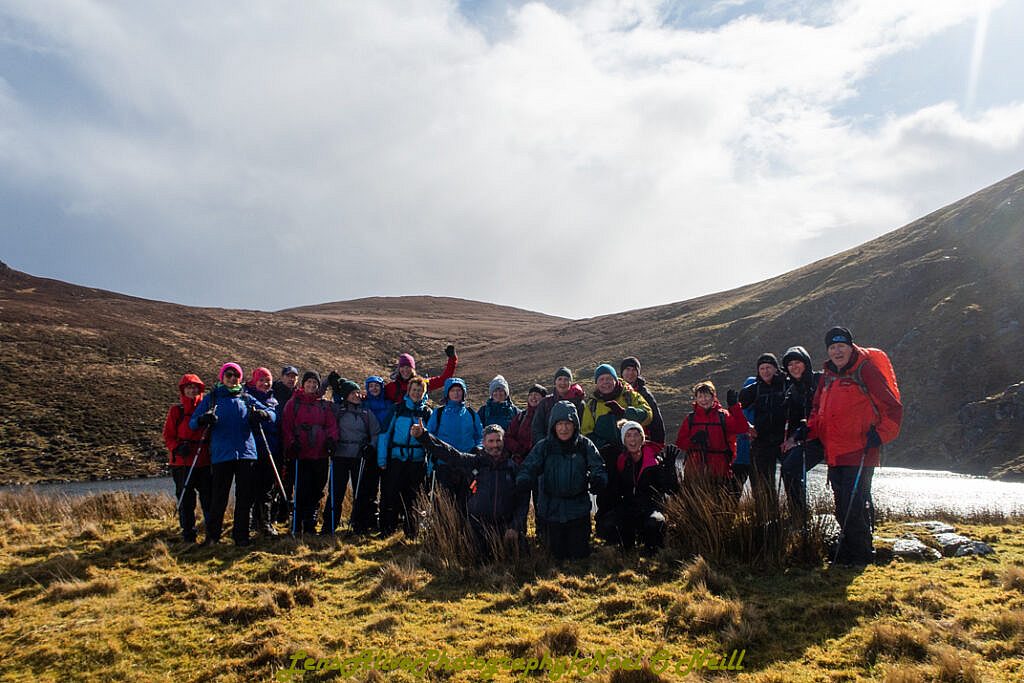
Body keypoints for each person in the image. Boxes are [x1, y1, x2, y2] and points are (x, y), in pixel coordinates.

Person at [808, 327, 902, 566]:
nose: (837, 351)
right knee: (842, 505)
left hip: (860, 450)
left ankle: (860, 556)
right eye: (832, 347)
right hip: (835, 452)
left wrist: (880, 435)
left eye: (841, 346)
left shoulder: (865, 370)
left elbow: (891, 407)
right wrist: (806, 429)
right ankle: (850, 551)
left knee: (854, 503)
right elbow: (818, 410)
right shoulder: (827, 376)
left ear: (851, 347)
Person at [412, 421, 528, 560]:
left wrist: (515, 527)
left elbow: (523, 501)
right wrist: (424, 437)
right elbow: (449, 453)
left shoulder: (513, 468)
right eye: (491, 441)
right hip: (477, 528)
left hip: (505, 528)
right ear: (483, 443)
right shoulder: (475, 462)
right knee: (476, 564)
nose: (495, 445)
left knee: (514, 562)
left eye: (498, 441)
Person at [190, 363, 273, 547]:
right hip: (222, 455)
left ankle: (241, 537)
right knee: (219, 497)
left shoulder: (246, 397)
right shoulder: (212, 398)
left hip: (246, 454)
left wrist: (263, 414)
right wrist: (204, 419)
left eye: (236, 375)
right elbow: (193, 423)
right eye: (229, 375)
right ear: (222, 377)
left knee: (244, 498)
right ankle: (213, 537)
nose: (233, 378)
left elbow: (272, 414)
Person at [516, 400, 607, 561]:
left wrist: (598, 479)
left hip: (578, 510)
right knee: (555, 556)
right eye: (560, 424)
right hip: (551, 510)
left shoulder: (584, 445)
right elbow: (528, 466)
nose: (564, 428)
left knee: (579, 556)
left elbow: (597, 466)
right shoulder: (544, 446)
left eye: (568, 424)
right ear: (553, 425)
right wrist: (524, 479)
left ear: (575, 425)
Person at [581, 363, 651, 540]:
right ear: (597, 383)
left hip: (632, 455)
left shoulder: (629, 395)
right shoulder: (592, 404)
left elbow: (647, 414)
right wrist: (602, 446)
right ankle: (608, 534)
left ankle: (637, 533)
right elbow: (586, 432)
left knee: (632, 493)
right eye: (601, 379)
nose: (605, 382)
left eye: (608, 378)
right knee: (607, 495)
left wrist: (625, 412)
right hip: (606, 457)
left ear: (615, 379)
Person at [601, 421, 682, 554]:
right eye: (628, 435)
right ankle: (625, 549)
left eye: (636, 435)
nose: (633, 439)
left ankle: (653, 552)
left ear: (642, 438)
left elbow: (672, 490)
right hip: (629, 507)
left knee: (654, 523)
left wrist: (670, 469)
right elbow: (615, 490)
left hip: (651, 507)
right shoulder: (621, 460)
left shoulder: (655, 460)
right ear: (624, 440)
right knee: (608, 523)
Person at [281, 371, 339, 535]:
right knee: (301, 488)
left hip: (320, 454)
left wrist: (331, 440)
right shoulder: (293, 404)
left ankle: (310, 522)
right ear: (303, 384)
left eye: (315, 383)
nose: (312, 385)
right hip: (300, 454)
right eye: (309, 382)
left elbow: (331, 426)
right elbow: (287, 426)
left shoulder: (324, 405)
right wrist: (291, 444)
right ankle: (297, 521)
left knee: (317, 488)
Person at [322, 377, 381, 535]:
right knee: (336, 492)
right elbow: (328, 426)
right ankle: (329, 526)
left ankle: (358, 525)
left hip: (359, 456)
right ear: (345, 395)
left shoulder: (366, 412)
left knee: (359, 493)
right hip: (340, 455)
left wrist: (371, 446)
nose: (356, 395)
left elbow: (375, 433)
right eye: (352, 393)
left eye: (357, 392)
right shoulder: (337, 410)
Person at [377, 376, 433, 538]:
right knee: (391, 495)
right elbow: (384, 435)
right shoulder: (397, 409)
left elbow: (432, 441)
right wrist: (382, 459)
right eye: (414, 390)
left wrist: (430, 466)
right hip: (396, 460)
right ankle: (387, 530)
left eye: (420, 390)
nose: (417, 393)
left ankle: (411, 532)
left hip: (417, 461)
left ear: (424, 393)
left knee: (414, 498)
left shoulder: (427, 412)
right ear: (408, 391)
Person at [163, 373, 212, 543]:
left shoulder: (207, 409)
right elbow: (168, 436)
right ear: (183, 390)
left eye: (195, 387)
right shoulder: (177, 411)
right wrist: (177, 447)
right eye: (189, 387)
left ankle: (211, 533)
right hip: (182, 462)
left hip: (204, 460)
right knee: (186, 500)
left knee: (208, 498)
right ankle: (188, 534)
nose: (192, 390)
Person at [674, 381, 749, 490]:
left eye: (706, 396)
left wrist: (734, 407)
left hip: (720, 470)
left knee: (718, 504)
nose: (703, 399)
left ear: (713, 397)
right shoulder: (690, 419)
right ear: (696, 399)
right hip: (694, 471)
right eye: (700, 396)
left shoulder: (723, 416)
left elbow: (742, 428)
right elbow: (680, 443)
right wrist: (693, 441)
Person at [779, 346, 825, 519]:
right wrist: (790, 439)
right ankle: (798, 515)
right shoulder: (792, 391)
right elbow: (795, 421)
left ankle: (800, 516)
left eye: (797, 362)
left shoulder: (820, 380)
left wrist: (796, 436)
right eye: (790, 364)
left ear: (806, 363)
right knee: (789, 469)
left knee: (791, 469)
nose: (794, 367)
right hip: (809, 437)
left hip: (826, 436)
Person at [426, 378, 482, 510]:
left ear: (464, 393)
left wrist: (478, 448)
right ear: (447, 393)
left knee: (466, 502)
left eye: (459, 390)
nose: (456, 393)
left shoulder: (471, 414)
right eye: (453, 390)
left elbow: (480, 435)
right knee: (443, 503)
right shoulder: (438, 413)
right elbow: (429, 436)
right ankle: (445, 527)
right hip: (443, 465)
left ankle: (464, 528)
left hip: (466, 464)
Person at [737, 353, 788, 497]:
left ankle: (796, 514)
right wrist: (748, 426)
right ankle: (766, 516)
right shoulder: (753, 389)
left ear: (776, 369)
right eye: (762, 368)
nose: (765, 371)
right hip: (762, 441)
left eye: (769, 367)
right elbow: (737, 411)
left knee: (792, 478)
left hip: (784, 440)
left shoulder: (786, 384)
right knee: (762, 485)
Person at [245, 367, 283, 537]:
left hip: (270, 448)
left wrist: (266, 415)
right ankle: (249, 523)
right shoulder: (245, 397)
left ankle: (265, 523)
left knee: (267, 489)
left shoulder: (272, 400)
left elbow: (274, 417)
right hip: (252, 449)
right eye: (261, 380)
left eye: (267, 380)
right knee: (249, 488)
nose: (265, 383)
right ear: (254, 381)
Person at [272, 365, 300, 523]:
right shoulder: (273, 392)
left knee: (290, 477)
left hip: (294, 442)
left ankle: (284, 513)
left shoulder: (298, 395)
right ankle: (272, 513)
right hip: (277, 441)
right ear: (282, 377)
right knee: (276, 478)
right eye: (288, 376)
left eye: (294, 377)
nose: (291, 379)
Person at [531, 368, 586, 447]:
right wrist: (544, 445)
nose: (563, 382)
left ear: (571, 383)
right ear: (555, 382)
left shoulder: (579, 404)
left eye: (566, 379)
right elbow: (537, 428)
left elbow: (581, 429)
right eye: (559, 379)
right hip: (548, 448)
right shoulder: (545, 403)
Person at [383, 346, 458, 404]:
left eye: (408, 367)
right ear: (399, 369)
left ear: (413, 369)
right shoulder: (391, 387)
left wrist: (452, 359)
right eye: (402, 367)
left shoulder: (422, 383)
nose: (405, 370)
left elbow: (444, 379)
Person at [619, 357, 666, 445]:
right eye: (627, 369)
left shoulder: (645, 394)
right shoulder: (614, 391)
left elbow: (656, 420)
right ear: (622, 372)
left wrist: (658, 444)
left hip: (642, 441)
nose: (630, 373)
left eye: (634, 370)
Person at [505, 384, 546, 461]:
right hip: (520, 461)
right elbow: (508, 437)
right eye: (531, 395)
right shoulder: (521, 416)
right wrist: (518, 449)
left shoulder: (548, 416)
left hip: (541, 461)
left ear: (543, 398)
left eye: (536, 395)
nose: (533, 397)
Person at [731, 377, 757, 493]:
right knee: (733, 492)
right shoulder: (736, 411)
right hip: (739, 459)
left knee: (759, 491)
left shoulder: (763, 410)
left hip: (754, 458)